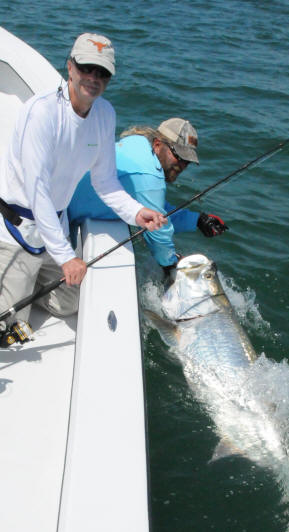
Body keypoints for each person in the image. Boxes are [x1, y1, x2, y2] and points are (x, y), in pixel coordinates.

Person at [0, 32, 165, 331]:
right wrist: (66, 257)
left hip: (54, 229)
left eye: (102, 72)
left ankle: (26, 282)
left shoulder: (104, 114)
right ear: (70, 68)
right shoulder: (43, 113)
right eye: (86, 67)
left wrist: (136, 213)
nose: (93, 77)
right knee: (10, 327)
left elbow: (106, 181)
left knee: (71, 303)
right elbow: (37, 194)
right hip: (16, 230)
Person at [68, 117, 228, 272]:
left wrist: (196, 220)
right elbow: (158, 232)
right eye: (178, 156)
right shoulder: (149, 174)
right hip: (58, 221)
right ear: (158, 144)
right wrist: (171, 264)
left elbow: (154, 209)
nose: (182, 165)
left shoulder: (139, 143)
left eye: (187, 161)